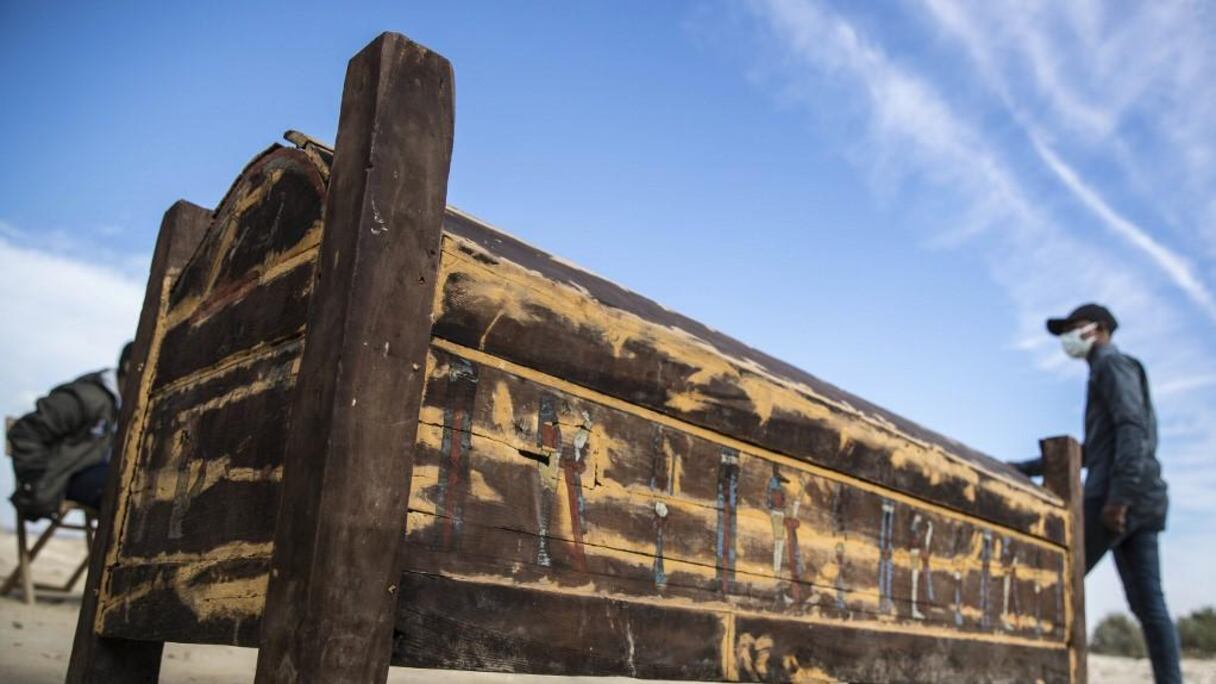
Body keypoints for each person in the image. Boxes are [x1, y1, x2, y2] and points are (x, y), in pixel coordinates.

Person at [1012, 304, 1180, 684]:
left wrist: (1119, 498)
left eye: (1073, 328)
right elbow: (1095, 450)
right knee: (1148, 605)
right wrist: (1024, 468)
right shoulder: (1107, 370)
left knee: (1053, 580)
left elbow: (1132, 428)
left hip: (1118, 498)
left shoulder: (1110, 365)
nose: (1067, 338)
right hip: (1141, 496)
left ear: (1098, 329)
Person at [7, 342, 133, 519]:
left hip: (98, 476)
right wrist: (36, 481)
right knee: (125, 487)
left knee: (136, 484)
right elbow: (25, 432)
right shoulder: (87, 397)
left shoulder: (127, 408)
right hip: (65, 478)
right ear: (129, 366)